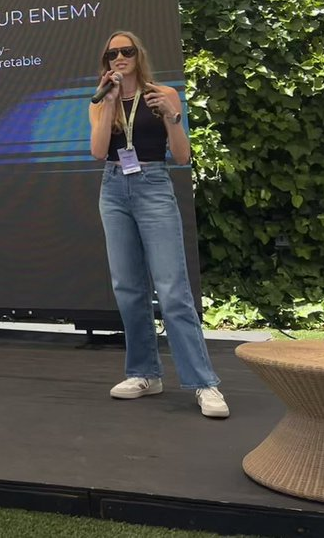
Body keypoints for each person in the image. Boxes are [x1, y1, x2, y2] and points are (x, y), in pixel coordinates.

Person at [88, 31, 229, 419]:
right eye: (112, 53)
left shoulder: (163, 94)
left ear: (138, 54)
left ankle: (204, 382)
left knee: (171, 289)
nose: (119, 57)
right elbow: (99, 151)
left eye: (126, 51)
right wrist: (109, 101)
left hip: (153, 184)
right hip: (114, 188)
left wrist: (172, 116)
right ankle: (144, 374)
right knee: (128, 288)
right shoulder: (101, 99)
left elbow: (182, 156)